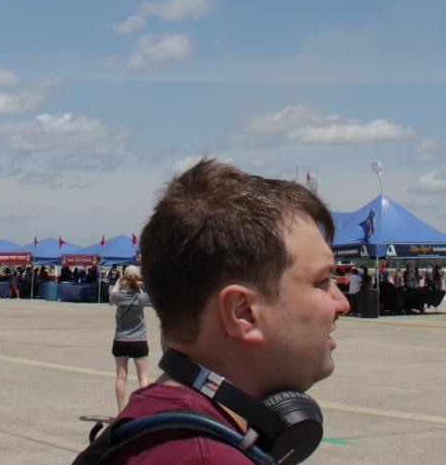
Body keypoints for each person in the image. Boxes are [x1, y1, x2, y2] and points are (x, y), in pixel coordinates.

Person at [78, 158, 348, 464]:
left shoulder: (153, 428)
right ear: (242, 312)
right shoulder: (204, 457)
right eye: (322, 281)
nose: (342, 304)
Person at [111, 265, 153, 412]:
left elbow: (112, 295)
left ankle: (121, 411)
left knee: (121, 377)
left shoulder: (118, 296)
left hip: (121, 339)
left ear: (124, 278)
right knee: (143, 378)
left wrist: (118, 282)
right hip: (139, 340)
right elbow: (147, 293)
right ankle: (145, 411)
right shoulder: (142, 297)